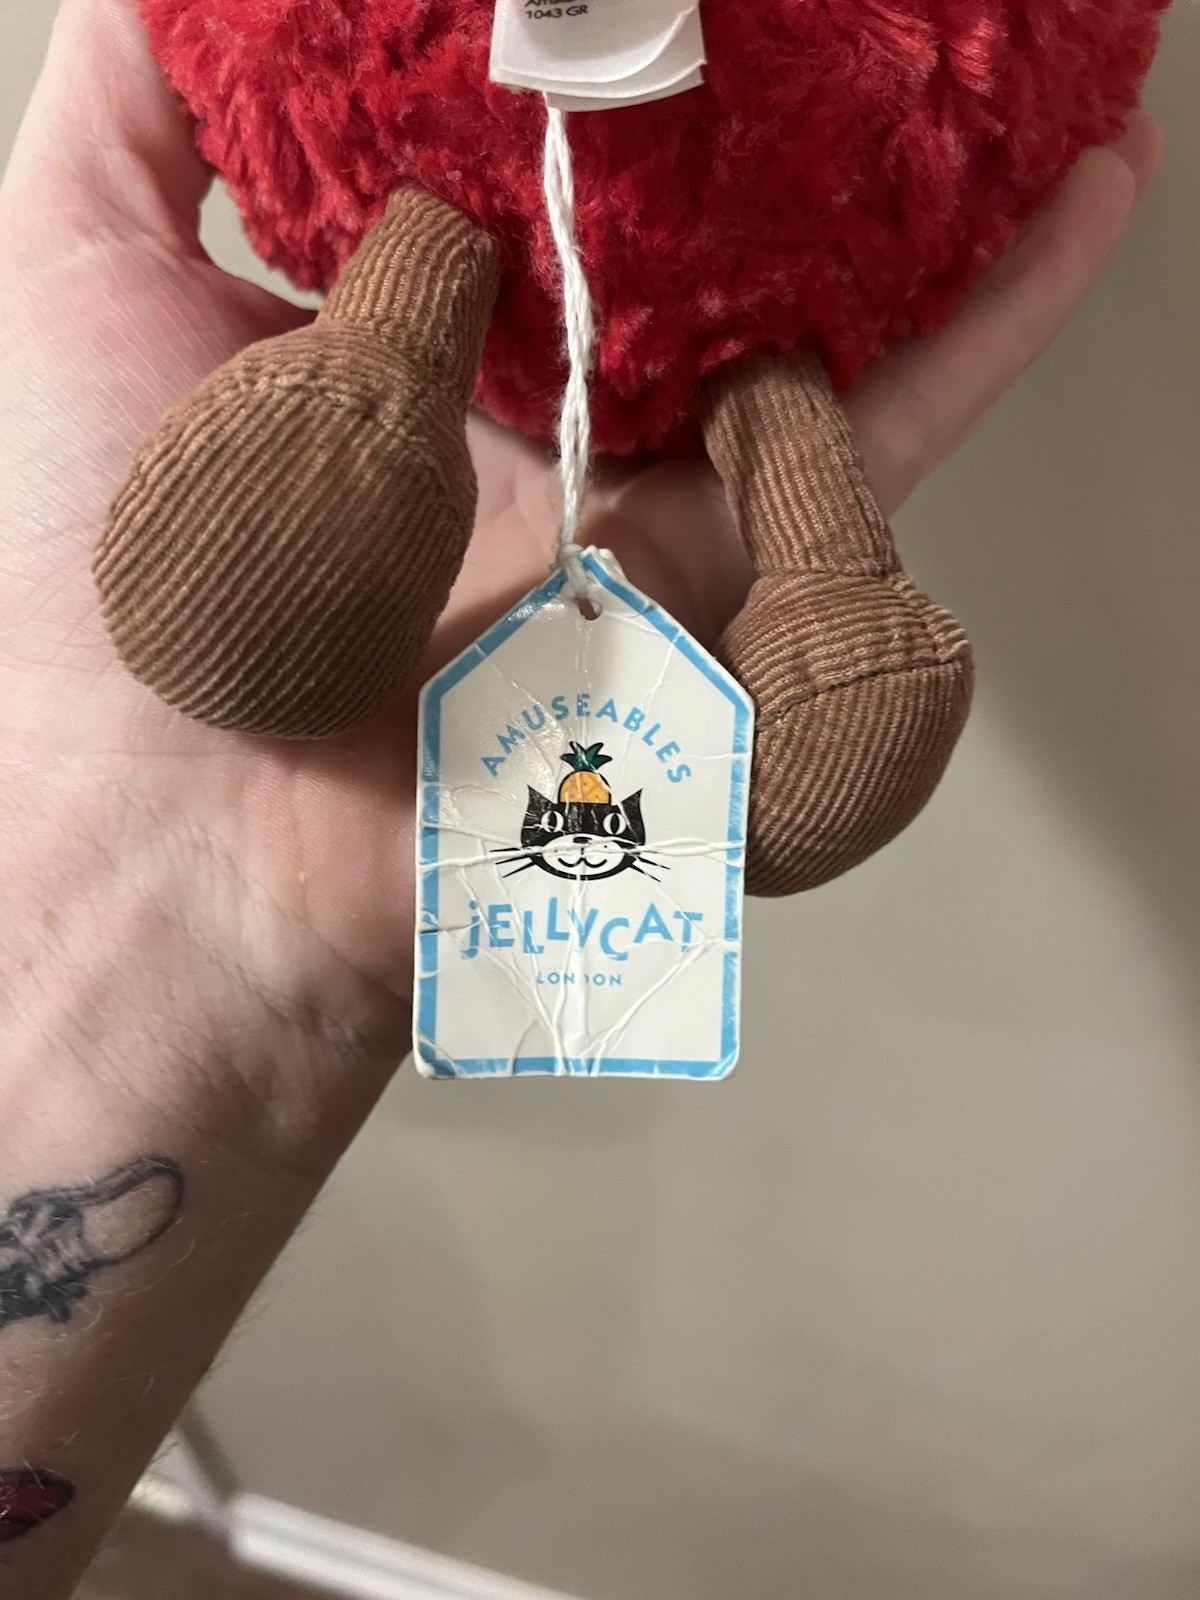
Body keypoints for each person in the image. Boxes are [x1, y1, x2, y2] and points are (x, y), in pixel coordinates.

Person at [0, 0, 1159, 1590]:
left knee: (769, 381)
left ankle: (825, 589)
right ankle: (349, 420)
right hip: (448, 216)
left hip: (770, 287)